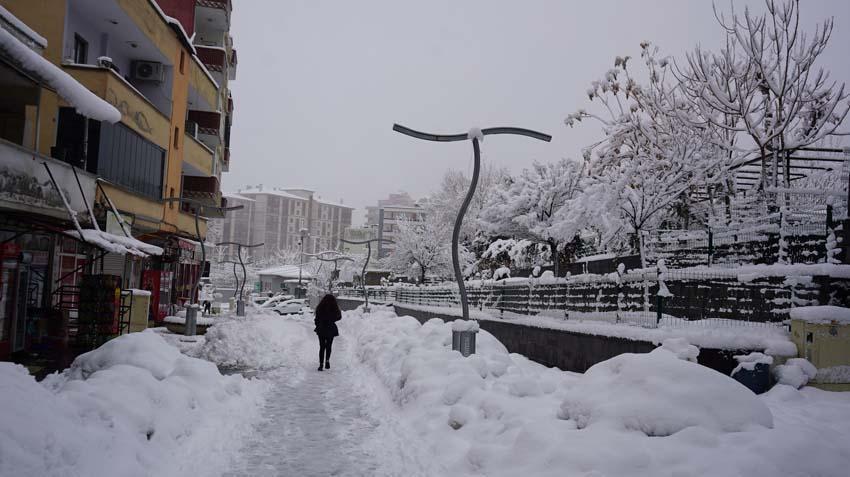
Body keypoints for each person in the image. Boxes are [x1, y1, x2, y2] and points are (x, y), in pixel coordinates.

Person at [313, 294, 341, 371]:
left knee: (322, 347)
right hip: (331, 329)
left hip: (321, 329)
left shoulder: (320, 307)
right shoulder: (334, 307)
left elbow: (317, 318)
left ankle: (321, 364)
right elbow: (339, 317)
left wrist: (318, 325)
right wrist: (332, 320)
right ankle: (327, 361)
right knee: (329, 346)